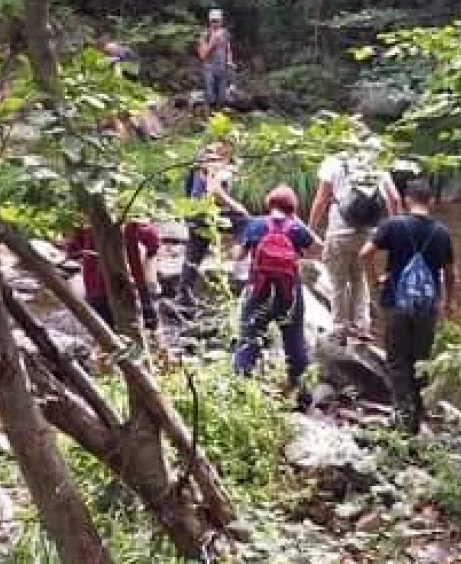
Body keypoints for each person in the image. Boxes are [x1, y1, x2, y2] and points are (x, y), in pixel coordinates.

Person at [361, 179, 455, 435]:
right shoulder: (442, 232)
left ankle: (404, 416)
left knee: (397, 359)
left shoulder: (394, 225)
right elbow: (449, 273)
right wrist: (449, 302)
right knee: (421, 359)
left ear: (406, 200)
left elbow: (365, 253)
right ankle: (418, 409)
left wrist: (374, 281)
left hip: (395, 302)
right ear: (431, 202)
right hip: (427, 305)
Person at [308, 145, 400, 344]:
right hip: (367, 232)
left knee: (337, 281)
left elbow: (321, 199)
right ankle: (362, 326)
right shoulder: (376, 162)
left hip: (339, 230)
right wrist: (396, 228)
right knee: (360, 279)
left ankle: (340, 328)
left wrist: (311, 229)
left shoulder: (333, 160)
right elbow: (394, 198)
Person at [232, 186, 315, 393]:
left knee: (249, 335)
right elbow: (313, 248)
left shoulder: (255, 225)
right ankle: (301, 392)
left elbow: (238, 256)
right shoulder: (297, 229)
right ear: (292, 208)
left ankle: (241, 388)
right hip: (289, 292)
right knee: (294, 338)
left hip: (259, 289)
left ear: (269, 203)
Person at [64, 218, 162, 336]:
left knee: (106, 335)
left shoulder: (86, 223)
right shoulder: (137, 223)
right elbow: (153, 245)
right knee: (148, 330)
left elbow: (72, 251)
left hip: (96, 291)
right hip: (133, 288)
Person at [177, 141, 246, 304]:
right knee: (246, 223)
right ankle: (242, 274)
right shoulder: (212, 159)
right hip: (204, 213)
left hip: (195, 212)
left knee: (194, 253)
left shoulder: (201, 159)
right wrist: (236, 206)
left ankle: (183, 294)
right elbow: (213, 189)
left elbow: (190, 189)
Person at [196, 9, 235, 109]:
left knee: (222, 99)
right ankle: (210, 119)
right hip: (209, 70)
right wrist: (212, 42)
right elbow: (202, 55)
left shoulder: (225, 33)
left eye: (217, 21)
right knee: (211, 98)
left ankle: (219, 120)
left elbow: (228, 49)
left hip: (223, 70)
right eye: (213, 21)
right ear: (209, 21)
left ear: (221, 21)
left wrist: (230, 61)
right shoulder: (205, 34)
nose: (215, 23)